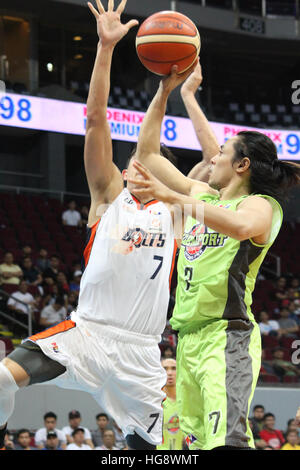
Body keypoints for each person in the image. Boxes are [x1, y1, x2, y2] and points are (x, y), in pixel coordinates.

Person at [0, 0, 188, 452]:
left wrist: (165, 93)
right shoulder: (107, 198)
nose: (135, 166)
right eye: (132, 163)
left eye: (147, 163)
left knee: (158, 452)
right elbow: (95, 122)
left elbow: (151, 143)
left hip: (142, 354)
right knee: (2, 379)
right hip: (85, 336)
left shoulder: (178, 213)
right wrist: (105, 48)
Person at [129, 56, 300, 449]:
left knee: (229, 441)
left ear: (241, 165)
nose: (212, 159)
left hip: (227, 335)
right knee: (199, 444)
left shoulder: (260, 206)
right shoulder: (205, 196)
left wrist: (172, 196)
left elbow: (241, 228)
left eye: (222, 154)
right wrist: (166, 90)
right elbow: (148, 153)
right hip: (186, 338)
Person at [157, 358, 185, 450]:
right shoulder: (154, 402)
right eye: (165, 368)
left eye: (173, 368)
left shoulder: (187, 400)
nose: (169, 373)